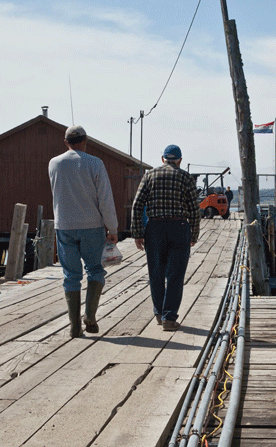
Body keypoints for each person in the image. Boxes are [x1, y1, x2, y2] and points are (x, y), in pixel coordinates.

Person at [48, 125, 118, 338]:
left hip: (64, 226)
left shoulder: (54, 163)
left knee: (71, 276)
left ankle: (74, 326)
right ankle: (90, 316)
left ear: (66, 142)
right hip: (92, 226)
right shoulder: (95, 163)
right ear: (85, 141)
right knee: (95, 270)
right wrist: (112, 228)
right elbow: (105, 198)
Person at [131, 144, 200, 331]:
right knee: (175, 275)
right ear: (180, 160)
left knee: (156, 273)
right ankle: (170, 317)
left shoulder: (150, 175)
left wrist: (137, 233)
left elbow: (137, 205)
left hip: (154, 228)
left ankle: (159, 314)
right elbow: (194, 209)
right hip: (179, 227)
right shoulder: (185, 177)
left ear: (163, 159)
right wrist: (193, 235)